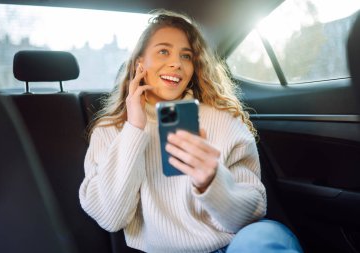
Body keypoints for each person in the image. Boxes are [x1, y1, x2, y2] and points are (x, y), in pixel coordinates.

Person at [79, 10, 303, 253]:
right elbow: (111, 218)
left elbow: (250, 215)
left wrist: (213, 182)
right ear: (139, 63)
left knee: (264, 236)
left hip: (229, 247)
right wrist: (134, 128)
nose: (176, 63)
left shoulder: (223, 122)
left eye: (186, 56)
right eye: (164, 51)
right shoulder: (110, 130)